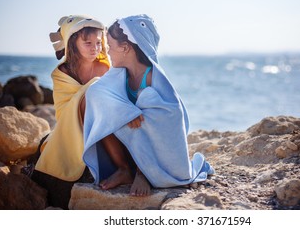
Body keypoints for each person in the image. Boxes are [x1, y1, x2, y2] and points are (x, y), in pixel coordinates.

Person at [82, 14, 214, 197]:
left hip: (156, 150)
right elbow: (96, 94)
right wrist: (126, 111)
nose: (107, 52)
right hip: (130, 148)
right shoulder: (119, 74)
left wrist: (140, 111)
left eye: (110, 47)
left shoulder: (153, 77)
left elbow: (171, 117)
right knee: (105, 104)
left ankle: (143, 173)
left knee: (147, 98)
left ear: (125, 48)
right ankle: (123, 168)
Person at [32, 15, 110, 207]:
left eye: (98, 43)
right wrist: (90, 89)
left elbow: (112, 102)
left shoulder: (104, 68)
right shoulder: (62, 74)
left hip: (99, 124)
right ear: (73, 44)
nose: (95, 48)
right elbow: (63, 108)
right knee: (94, 88)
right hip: (71, 122)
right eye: (88, 43)